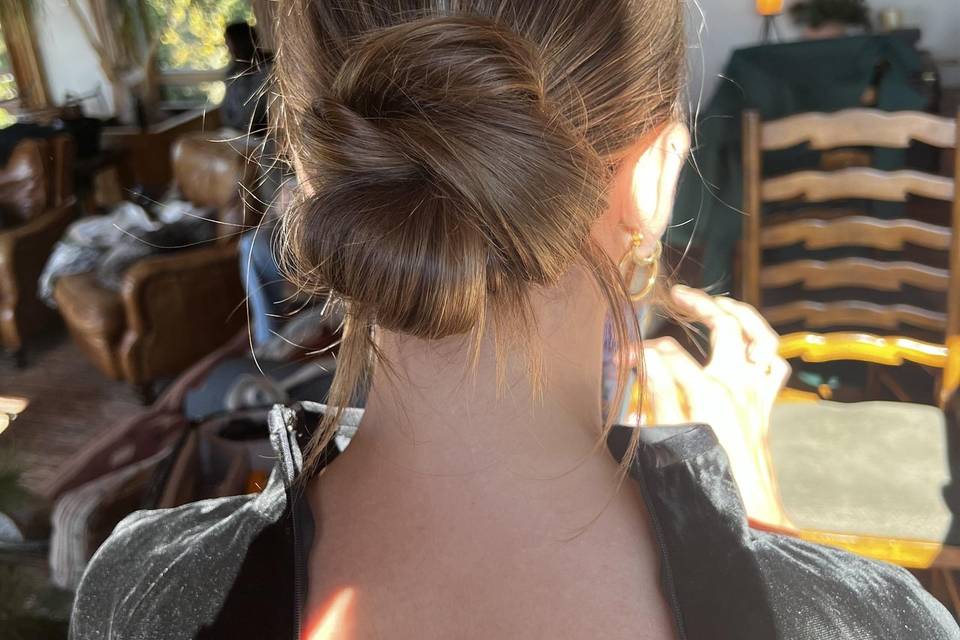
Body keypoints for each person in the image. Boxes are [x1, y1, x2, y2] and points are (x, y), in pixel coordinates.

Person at [71, 2, 960, 639]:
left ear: (304, 179)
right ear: (655, 180)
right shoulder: (883, 622)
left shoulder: (137, 592)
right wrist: (755, 521)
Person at [220, 21, 271, 133]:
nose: (228, 48)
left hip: (257, 135)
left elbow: (253, 111)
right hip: (232, 131)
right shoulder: (232, 72)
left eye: (229, 43)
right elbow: (226, 107)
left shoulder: (267, 70)